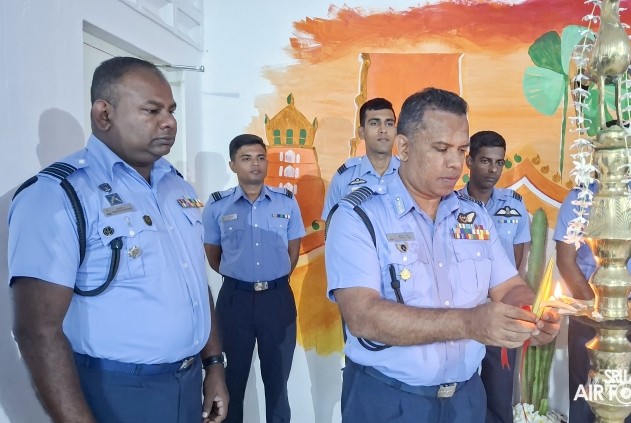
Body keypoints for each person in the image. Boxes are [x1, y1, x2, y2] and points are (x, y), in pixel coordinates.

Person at [8, 57, 228, 423]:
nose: (169, 122)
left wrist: (214, 365)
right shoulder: (58, 194)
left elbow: (194, 281)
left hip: (187, 382)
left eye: (171, 110)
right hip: (115, 391)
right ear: (104, 115)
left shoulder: (178, 187)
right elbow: (36, 330)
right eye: (152, 110)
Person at [325, 87, 560, 422]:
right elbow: (362, 316)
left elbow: (509, 286)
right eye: (441, 149)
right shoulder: (358, 216)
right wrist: (469, 323)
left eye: (462, 150)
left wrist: (530, 313)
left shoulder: (474, 217)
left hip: (465, 400)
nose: (455, 163)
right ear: (403, 148)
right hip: (388, 399)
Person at [202, 134, 306, 423]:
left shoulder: (286, 202)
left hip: (277, 300)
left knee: (277, 384)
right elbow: (213, 255)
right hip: (235, 302)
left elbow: (292, 251)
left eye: (260, 158)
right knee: (230, 383)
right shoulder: (218, 205)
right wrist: (241, 277)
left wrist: (272, 279)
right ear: (233, 165)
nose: (255, 164)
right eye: (246, 158)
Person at [554, 170, 631, 423]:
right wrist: (595, 310)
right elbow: (566, 261)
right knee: (587, 386)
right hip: (589, 301)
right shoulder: (579, 198)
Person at [461, 131, 530, 423]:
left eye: (499, 163)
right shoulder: (451, 204)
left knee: (500, 394)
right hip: (464, 311)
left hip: (502, 311)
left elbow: (518, 260)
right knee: (460, 392)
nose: (493, 170)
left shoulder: (514, 205)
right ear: (469, 161)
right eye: (485, 161)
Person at [321, 98, 399, 220]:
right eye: (374, 123)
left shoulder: (409, 173)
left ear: (395, 131)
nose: (383, 130)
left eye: (389, 124)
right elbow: (331, 225)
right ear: (361, 133)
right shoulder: (345, 177)